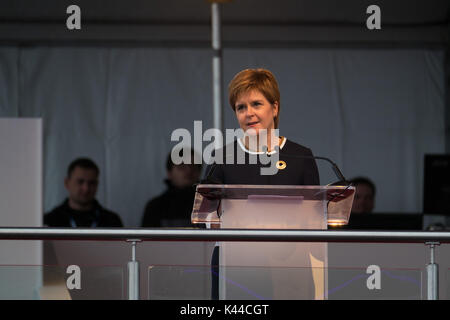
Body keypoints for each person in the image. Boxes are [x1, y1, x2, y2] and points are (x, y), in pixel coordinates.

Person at [206, 68, 320, 300]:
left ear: (274, 108)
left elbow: (316, 218)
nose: (249, 113)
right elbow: (204, 217)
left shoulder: (301, 156)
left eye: (256, 104)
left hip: (290, 266)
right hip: (236, 266)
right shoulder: (222, 158)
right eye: (241, 107)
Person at [44, 158, 123, 227]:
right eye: (80, 182)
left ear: (97, 184)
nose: (86, 188)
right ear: (67, 183)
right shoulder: (50, 221)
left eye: (91, 183)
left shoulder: (112, 221)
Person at [141, 149, 202, 227]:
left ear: (199, 172)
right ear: (169, 172)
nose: (189, 171)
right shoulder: (155, 207)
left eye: (193, 166)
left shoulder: (209, 206)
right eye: (182, 166)